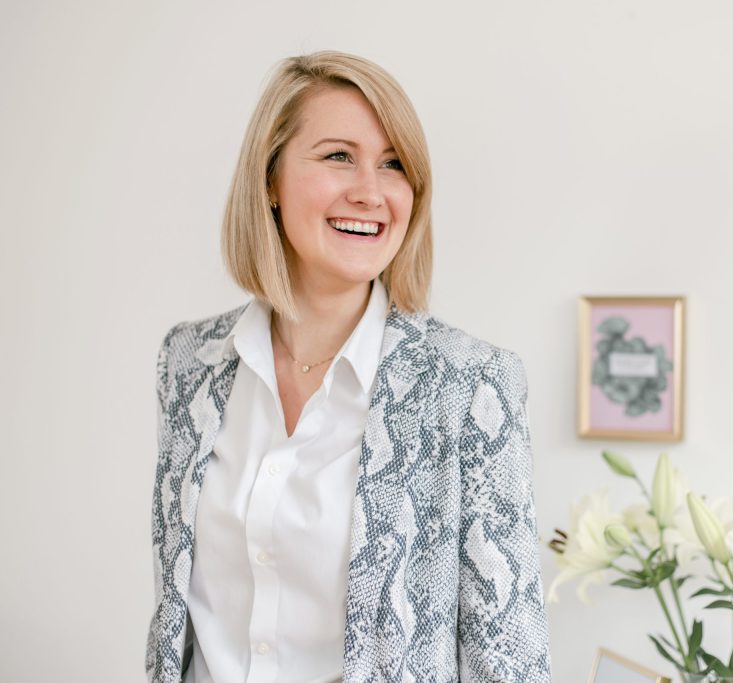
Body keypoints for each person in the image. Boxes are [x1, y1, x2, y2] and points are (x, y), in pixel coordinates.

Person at [146, 51, 551, 683]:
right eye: (339, 156)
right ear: (269, 180)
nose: (371, 190)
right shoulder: (189, 363)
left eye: (394, 165)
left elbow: (512, 661)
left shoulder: (470, 385)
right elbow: (183, 621)